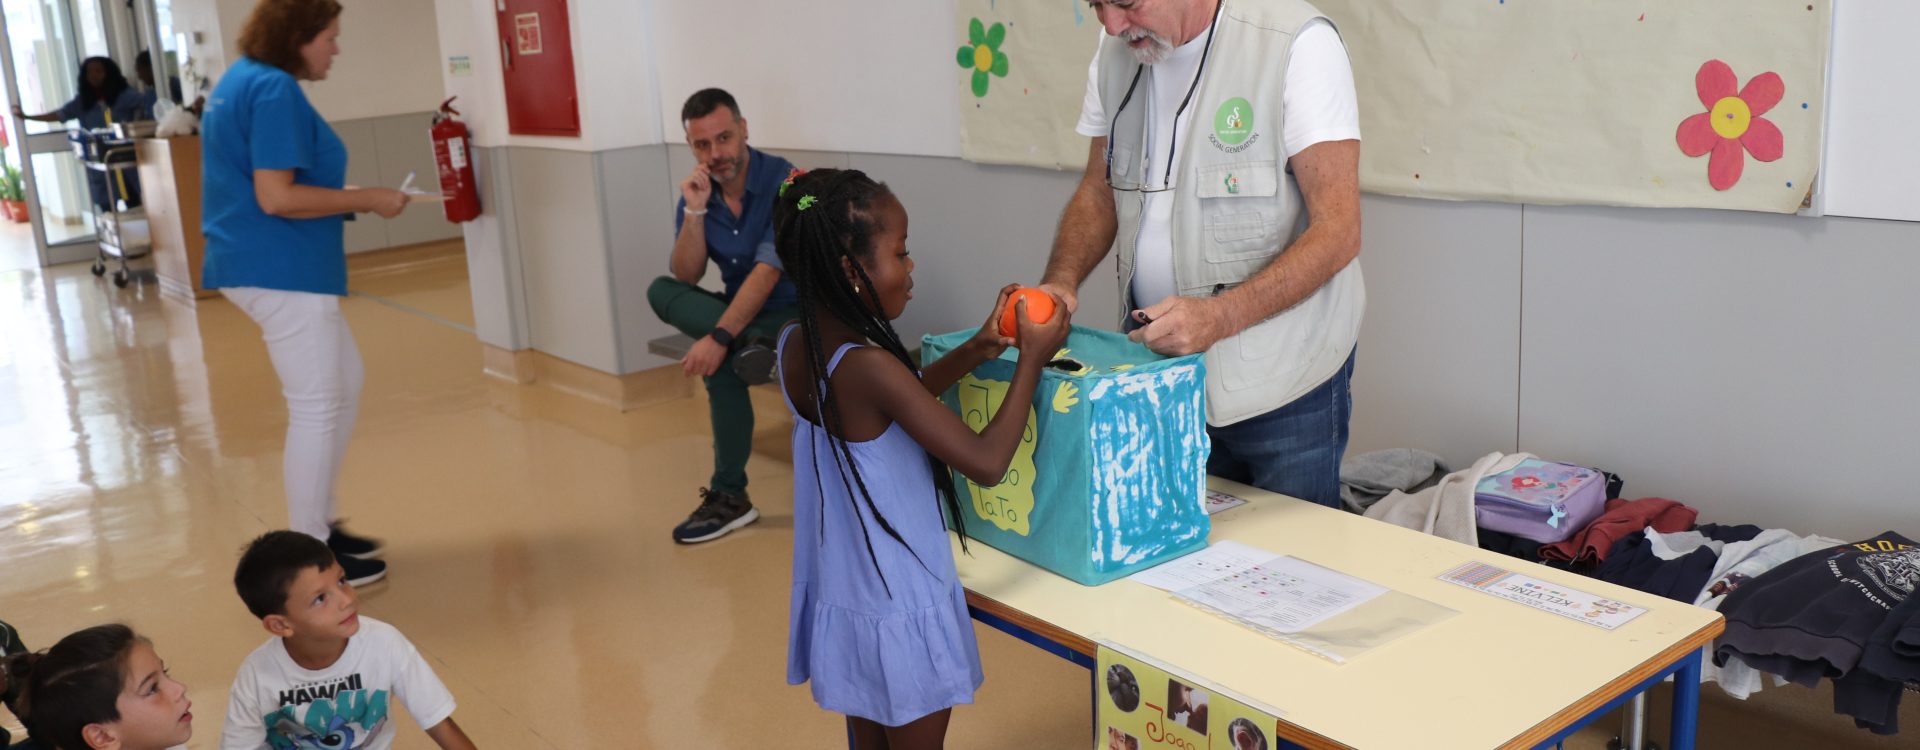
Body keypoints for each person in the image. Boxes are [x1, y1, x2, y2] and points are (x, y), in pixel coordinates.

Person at [774, 168, 1071, 748]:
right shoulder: (870, 368)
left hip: (850, 597)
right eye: (900, 252)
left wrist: (980, 346)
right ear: (851, 271)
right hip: (899, 604)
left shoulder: (798, 344)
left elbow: (896, 404)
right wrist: (1032, 361)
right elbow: (986, 462)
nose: (911, 267)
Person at [1039, 0, 1364, 507]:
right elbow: (1099, 190)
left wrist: (1219, 317)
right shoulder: (1115, 51)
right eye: (1096, 4)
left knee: (1291, 552)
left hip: (1286, 383)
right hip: (1162, 373)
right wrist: (1061, 281)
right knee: (1177, 546)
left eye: (1126, 3)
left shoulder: (1297, 43)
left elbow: (1339, 229)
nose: (1111, 24)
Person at [199, 0, 412, 584]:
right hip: (280, 267)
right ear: (297, 37)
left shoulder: (242, 78)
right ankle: (311, 558)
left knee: (345, 382)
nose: (336, 49)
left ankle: (321, 523)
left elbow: (272, 186)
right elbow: (277, 197)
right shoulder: (273, 89)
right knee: (317, 405)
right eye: (329, 37)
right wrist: (370, 198)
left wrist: (350, 196)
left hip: (264, 260)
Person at [647, 88, 800, 544]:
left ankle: (731, 497)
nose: (716, 154)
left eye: (724, 138)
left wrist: (718, 337)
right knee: (660, 289)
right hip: (744, 317)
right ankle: (747, 342)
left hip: (797, 313)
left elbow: (768, 273)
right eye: (702, 144)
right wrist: (695, 211)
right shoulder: (699, 191)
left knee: (723, 364)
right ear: (691, 146)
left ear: (744, 129)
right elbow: (686, 274)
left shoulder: (787, 181)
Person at [222, 531, 476, 750]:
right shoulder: (256, 674)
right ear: (280, 625)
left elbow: (439, 724)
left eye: (341, 581)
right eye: (320, 599)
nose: (346, 599)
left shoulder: (384, 643)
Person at [0, 624, 194, 750]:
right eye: (151, 688)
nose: (180, 688)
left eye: (165, 672)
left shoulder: (163, 740)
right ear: (102, 737)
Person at [11, 57, 144, 129]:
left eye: (98, 71)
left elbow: (145, 105)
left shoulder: (124, 95)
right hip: (99, 160)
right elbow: (60, 115)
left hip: (127, 154)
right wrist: (28, 117)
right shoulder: (83, 101)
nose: (93, 75)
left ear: (109, 73)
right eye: (89, 72)